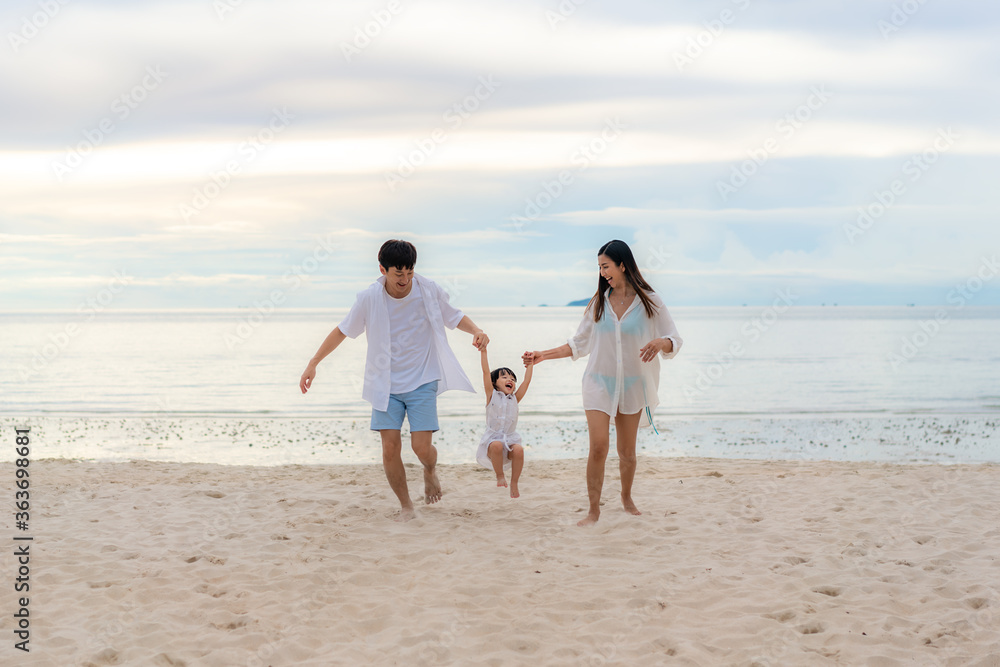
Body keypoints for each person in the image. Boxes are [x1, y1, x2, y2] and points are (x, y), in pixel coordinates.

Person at [299, 239, 489, 522]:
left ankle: (429, 470)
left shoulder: (428, 290)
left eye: (409, 272)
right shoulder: (368, 298)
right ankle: (406, 506)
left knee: (421, 448)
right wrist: (313, 363)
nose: (405, 279)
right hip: (384, 383)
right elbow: (342, 330)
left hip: (423, 377)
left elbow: (454, 316)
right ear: (383, 269)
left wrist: (476, 330)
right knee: (389, 448)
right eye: (398, 273)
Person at [523, 239, 682, 526]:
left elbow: (675, 340)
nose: (602, 272)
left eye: (606, 266)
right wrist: (541, 355)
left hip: (633, 385)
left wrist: (661, 342)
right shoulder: (599, 303)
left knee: (627, 453)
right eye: (599, 268)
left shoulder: (650, 301)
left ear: (623, 264)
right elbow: (578, 344)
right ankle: (593, 510)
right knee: (598, 447)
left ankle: (626, 497)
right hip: (598, 383)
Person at [475, 343, 533, 498]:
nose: (510, 380)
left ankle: (514, 483)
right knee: (496, 445)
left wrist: (530, 365)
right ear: (494, 383)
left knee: (520, 450)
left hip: (510, 440)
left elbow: (526, 383)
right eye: (505, 377)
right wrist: (484, 351)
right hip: (493, 443)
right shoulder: (491, 395)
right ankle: (499, 475)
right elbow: (485, 372)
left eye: (513, 379)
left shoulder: (515, 398)